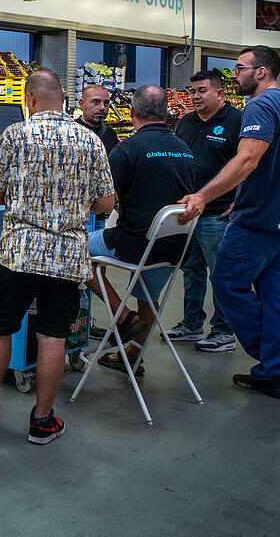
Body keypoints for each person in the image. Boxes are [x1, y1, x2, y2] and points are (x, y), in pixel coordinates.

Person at [0, 70, 114, 444]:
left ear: (30, 101)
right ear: (64, 101)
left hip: (18, 253)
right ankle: (42, 421)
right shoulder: (90, 141)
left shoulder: (14, 135)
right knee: (53, 336)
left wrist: (24, 194)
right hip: (67, 256)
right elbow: (105, 203)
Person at [180, 46, 280, 399]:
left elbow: (249, 158)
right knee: (274, 296)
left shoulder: (261, 106)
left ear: (261, 72)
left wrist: (202, 196)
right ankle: (272, 373)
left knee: (226, 283)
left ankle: (273, 352)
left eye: (240, 68)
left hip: (257, 219)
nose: (234, 75)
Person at [87, 85, 196, 374]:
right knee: (148, 292)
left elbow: (102, 204)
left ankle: (123, 318)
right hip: (174, 248)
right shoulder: (185, 150)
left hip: (134, 245)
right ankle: (132, 355)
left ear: (133, 113)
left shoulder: (127, 150)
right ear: (166, 113)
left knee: (72, 250)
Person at [166, 69, 241, 352]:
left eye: (202, 91)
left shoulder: (236, 121)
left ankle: (223, 331)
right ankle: (191, 323)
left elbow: (250, 163)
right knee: (191, 269)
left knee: (220, 273)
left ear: (220, 93)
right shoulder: (186, 122)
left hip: (218, 214)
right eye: (193, 91)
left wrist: (241, 199)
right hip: (188, 213)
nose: (195, 96)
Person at [76, 84, 120, 233]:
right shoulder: (71, 133)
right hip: (77, 215)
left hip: (101, 214)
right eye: (96, 102)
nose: (102, 107)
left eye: (106, 103)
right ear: (81, 104)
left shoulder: (110, 134)